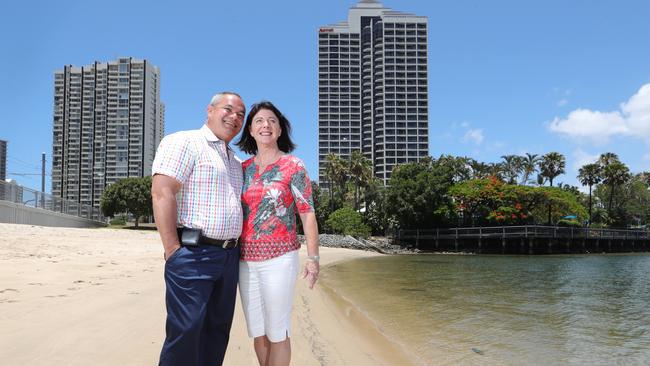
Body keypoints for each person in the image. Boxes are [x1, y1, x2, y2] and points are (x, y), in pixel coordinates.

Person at [151, 92, 246, 366]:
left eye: (241, 114)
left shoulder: (235, 161)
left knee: (216, 332)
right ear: (210, 110)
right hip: (193, 254)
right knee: (186, 331)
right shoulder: (184, 142)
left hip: (230, 257)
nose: (235, 118)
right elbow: (162, 192)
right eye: (228, 110)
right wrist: (172, 250)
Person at [235, 101, 320, 366]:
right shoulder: (242, 169)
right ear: (250, 129)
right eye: (259, 121)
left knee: (278, 330)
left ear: (280, 130)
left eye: (272, 121)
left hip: (280, 258)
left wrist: (313, 259)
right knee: (258, 331)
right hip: (246, 261)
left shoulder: (293, 166)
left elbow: (307, 212)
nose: (266, 126)